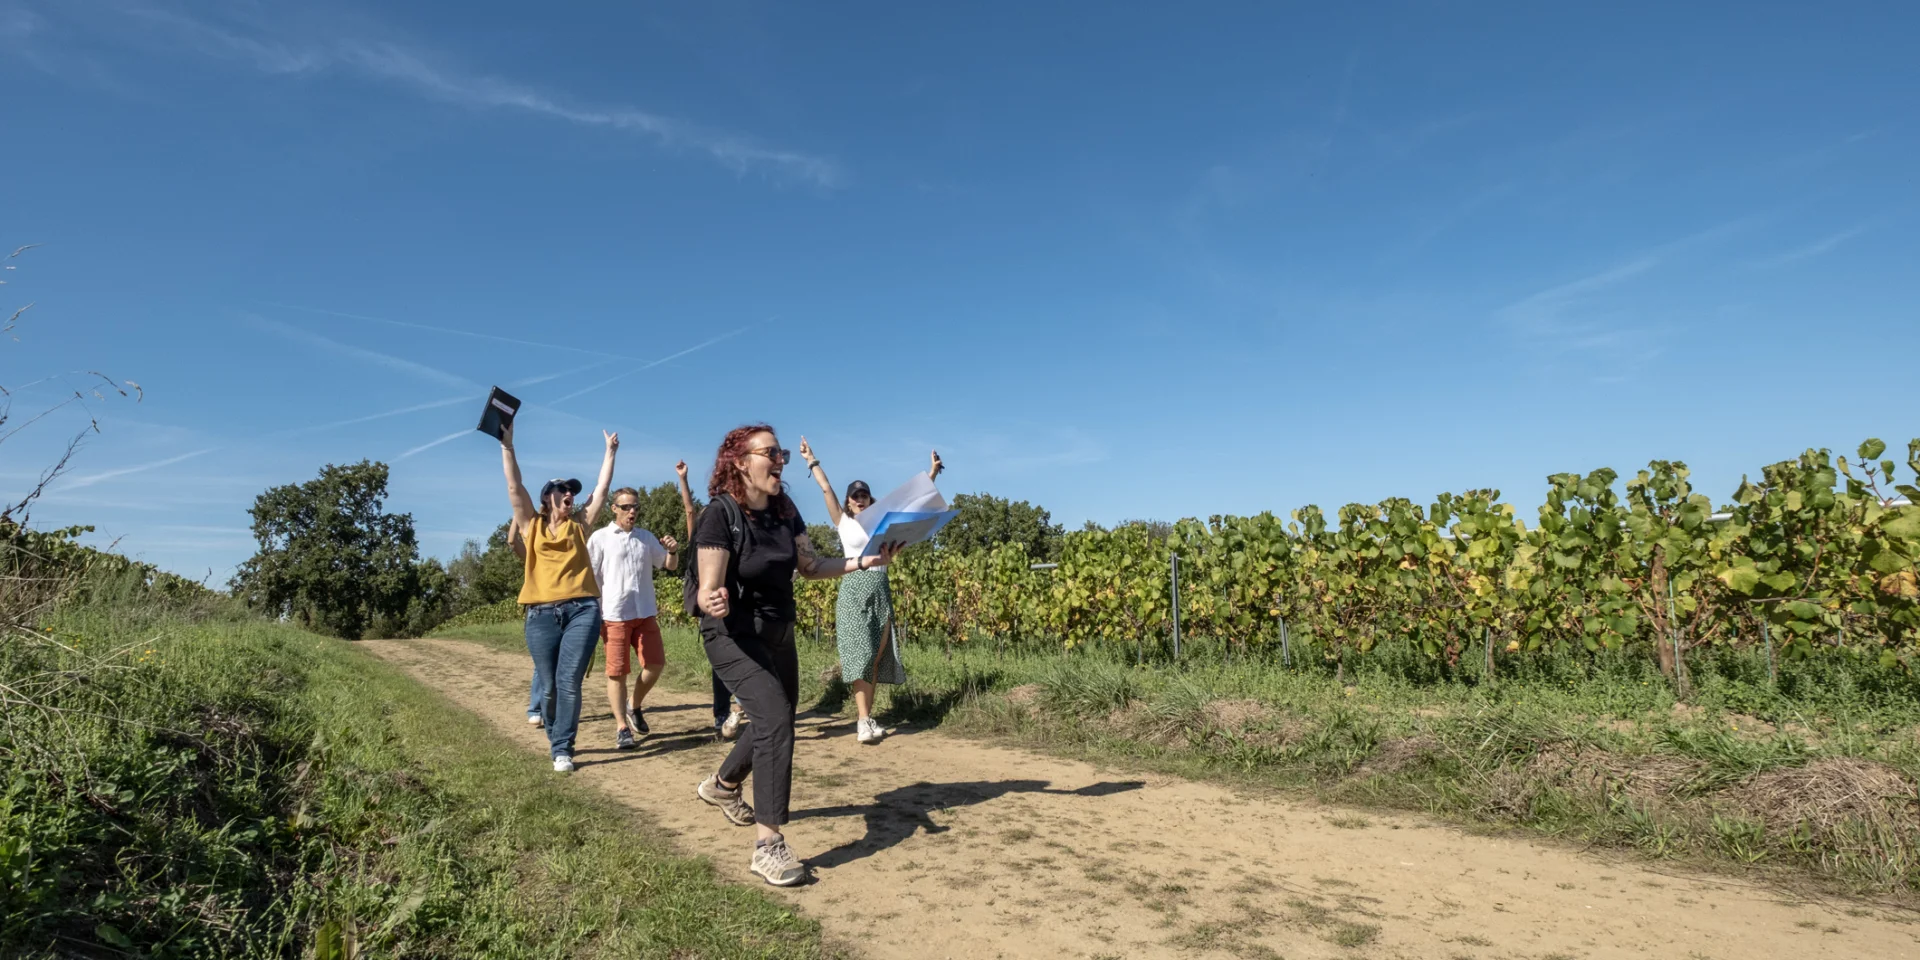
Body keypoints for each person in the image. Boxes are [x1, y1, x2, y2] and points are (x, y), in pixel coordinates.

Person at [692, 424, 900, 886]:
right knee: (775, 720)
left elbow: (809, 566)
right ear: (741, 462)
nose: (781, 460)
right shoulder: (719, 514)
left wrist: (865, 561)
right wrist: (712, 599)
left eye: (781, 452)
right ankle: (769, 846)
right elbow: (708, 589)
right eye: (770, 452)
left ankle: (722, 785)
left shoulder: (786, 511)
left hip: (778, 631)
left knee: (778, 715)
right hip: (731, 633)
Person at [798, 439, 943, 744]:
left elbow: (912, 507)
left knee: (875, 657)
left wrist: (932, 473)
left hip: (880, 588)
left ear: (870, 499)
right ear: (849, 502)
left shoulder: (881, 524)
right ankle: (863, 721)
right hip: (853, 588)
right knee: (860, 654)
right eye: (855, 496)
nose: (859, 500)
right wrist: (812, 461)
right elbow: (827, 490)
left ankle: (866, 718)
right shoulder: (842, 523)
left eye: (864, 495)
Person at [502, 423, 617, 773]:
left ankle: (563, 747)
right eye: (561, 489)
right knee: (548, 684)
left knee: (568, 681)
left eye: (570, 490)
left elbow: (600, 490)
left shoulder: (580, 525)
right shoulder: (530, 525)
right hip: (539, 615)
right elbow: (513, 486)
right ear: (546, 498)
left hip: (582, 609)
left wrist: (610, 453)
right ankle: (555, 733)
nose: (569, 493)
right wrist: (508, 446)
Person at [589, 485, 678, 750]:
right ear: (614, 508)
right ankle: (622, 728)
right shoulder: (600, 538)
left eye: (636, 507)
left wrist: (673, 551)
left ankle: (634, 706)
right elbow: (590, 577)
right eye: (626, 507)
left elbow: (668, 565)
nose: (632, 511)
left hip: (645, 613)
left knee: (655, 665)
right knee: (617, 673)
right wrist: (592, 610)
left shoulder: (645, 538)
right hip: (614, 615)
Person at [676, 458, 748, 742]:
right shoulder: (704, 529)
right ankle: (723, 714)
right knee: (723, 662)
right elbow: (690, 510)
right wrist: (683, 479)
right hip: (713, 601)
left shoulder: (736, 527)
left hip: (738, 598)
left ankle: (737, 708)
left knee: (741, 657)